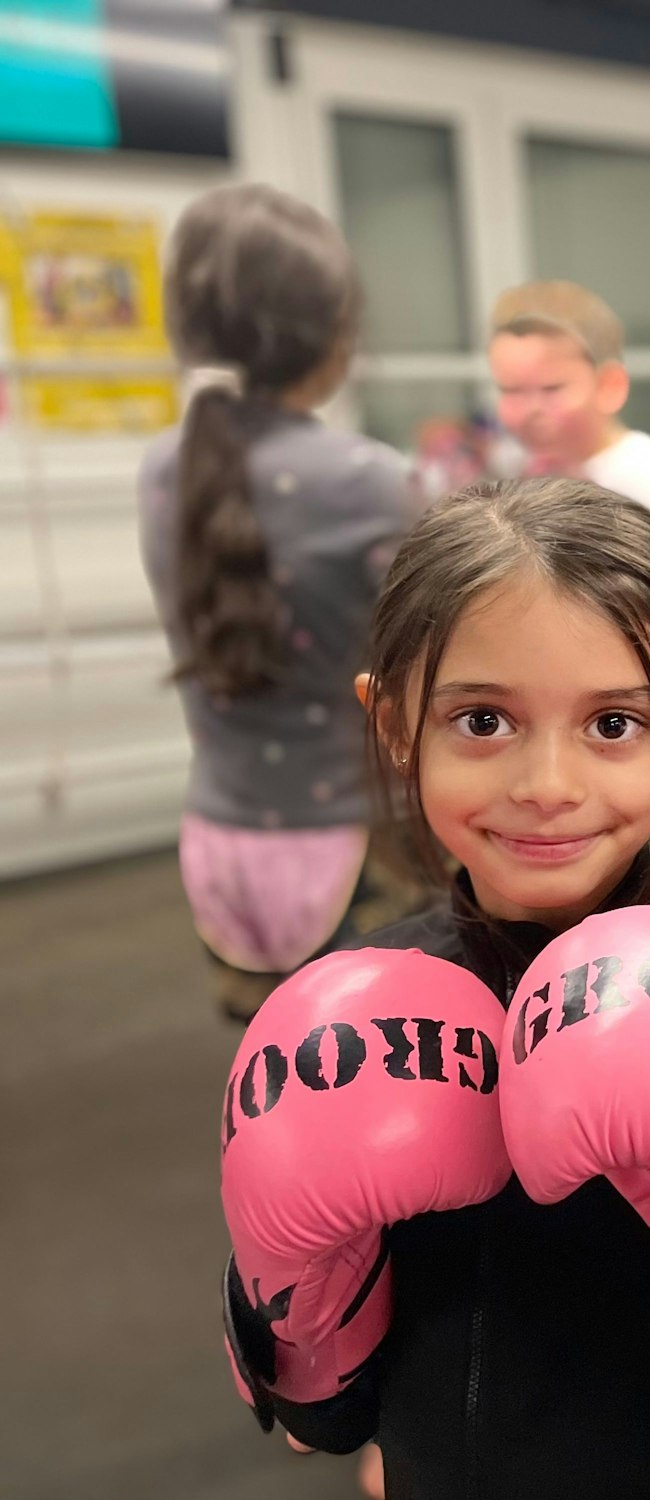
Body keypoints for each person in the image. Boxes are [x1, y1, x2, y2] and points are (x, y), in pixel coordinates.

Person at [215, 478, 650, 1499]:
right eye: (484, 720)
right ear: (396, 722)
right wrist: (298, 1300)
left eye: (613, 724)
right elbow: (322, 1417)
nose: (547, 783)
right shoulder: (345, 1015)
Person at [139, 183, 426, 1027]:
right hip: (358, 850)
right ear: (334, 336)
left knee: (276, 1078)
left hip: (224, 840)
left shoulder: (165, 467)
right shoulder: (372, 482)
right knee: (384, 1081)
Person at [487, 280, 650, 632]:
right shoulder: (506, 467)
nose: (530, 410)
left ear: (609, 386)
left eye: (552, 389)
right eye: (511, 390)